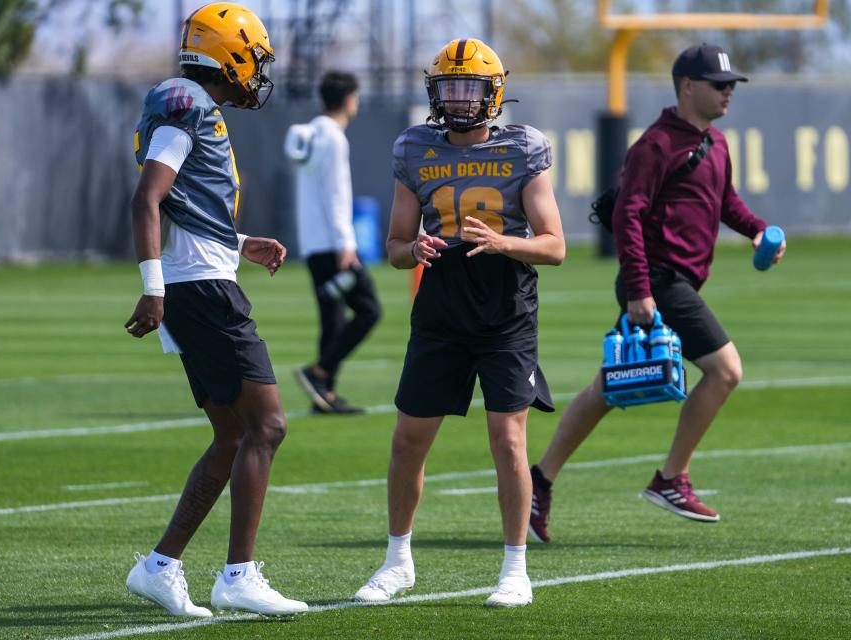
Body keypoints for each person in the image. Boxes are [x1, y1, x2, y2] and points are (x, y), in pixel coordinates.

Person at [528, 44, 786, 544]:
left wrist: (755, 229)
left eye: (732, 85)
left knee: (611, 385)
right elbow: (627, 215)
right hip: (658, 280)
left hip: (675, 281)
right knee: (726, 369)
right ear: (687, 85)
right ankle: (670, 479)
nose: (728, 92)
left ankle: (538, 482)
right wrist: (640, 290)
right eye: (719, 84)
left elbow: (725, 201)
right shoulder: (656, 144)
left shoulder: (716, 143)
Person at [353, 38, 565, 608]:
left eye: (470, 88)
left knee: (508, 440)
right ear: (434, 91)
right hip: (442, 305)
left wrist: (503, 242)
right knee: (408, 441)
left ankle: (515, 569)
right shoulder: (414, 147)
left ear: (493, 93)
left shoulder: (525, 148)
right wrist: (411, 250)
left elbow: (555, 246)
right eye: (450, 88)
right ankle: (398, 561)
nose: (460, 100)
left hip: (505, 308)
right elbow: (395, 245)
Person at [122, 2, 307, 618]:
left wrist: (237, 241)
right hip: (197, 287)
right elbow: (148, 198)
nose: (257, 70)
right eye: (253, 57)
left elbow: (181, 203)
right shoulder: (185, 101)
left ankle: (161, 565)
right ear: (226, 52)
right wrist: (154, 288)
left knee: (234, 433)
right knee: (268, 425)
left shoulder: (191, 105)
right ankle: (238, 575)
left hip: (200, 274)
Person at [289, 71, 382, 415]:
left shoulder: (311, 132)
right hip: (332, 243)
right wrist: (347, 242)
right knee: (369, 309)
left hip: (314, 242)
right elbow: (336, 194)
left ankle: (324, 393)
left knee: (333, 317)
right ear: (348, 99)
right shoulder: (333, 137)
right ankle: (319, 372)